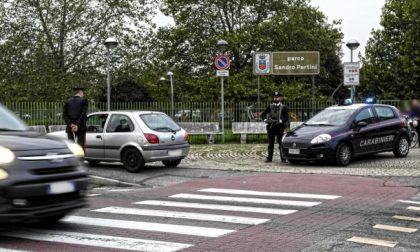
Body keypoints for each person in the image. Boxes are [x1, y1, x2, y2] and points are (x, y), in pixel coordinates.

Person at [261, 91, 289, 163]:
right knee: (270, 143)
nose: (276, 98)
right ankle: (269, 158)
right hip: (271, 127)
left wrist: (281, 121)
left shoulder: (284, 107)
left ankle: (283, 158)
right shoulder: (270, 106)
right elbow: (263, 114)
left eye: (277, 97)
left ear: (280, 98)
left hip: (280, 127)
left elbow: (286, 117)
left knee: (281, 143)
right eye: (275, 97)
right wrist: (265, 120)